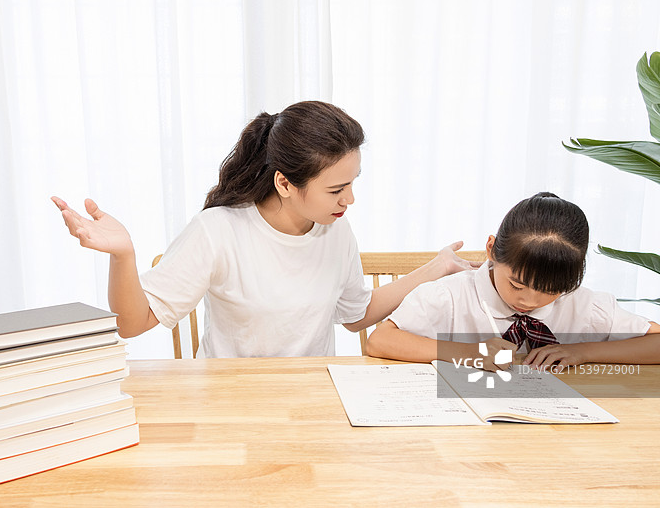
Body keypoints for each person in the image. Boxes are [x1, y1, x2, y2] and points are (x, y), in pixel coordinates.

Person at [53, 100, 477, 358]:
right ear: (285, 183)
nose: (349, 200)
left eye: (353, 183)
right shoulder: (218, 231)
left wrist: (434, 267)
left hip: (313, 398)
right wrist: (123, 253)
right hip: (231, 400)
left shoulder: (335, 231)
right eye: (336, 189)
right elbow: (132, 323)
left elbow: (354, 316)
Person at [366, 192, 660, 371]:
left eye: (550, 291)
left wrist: (583, 351)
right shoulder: (452, 296)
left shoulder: (583, 305)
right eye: (517, 285)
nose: (529, 301)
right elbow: (380, 341)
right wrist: (471, 353)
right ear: (491, 249)